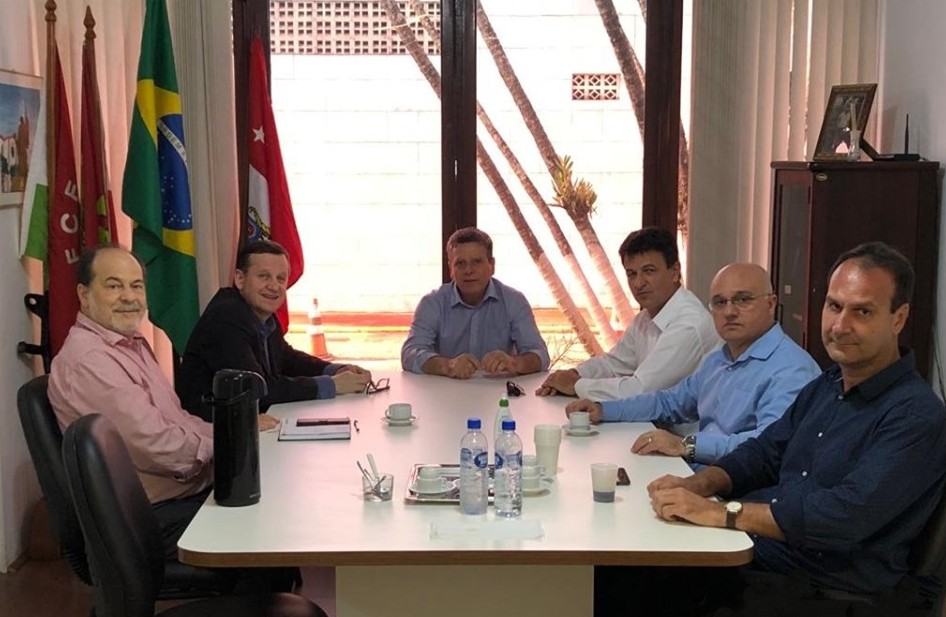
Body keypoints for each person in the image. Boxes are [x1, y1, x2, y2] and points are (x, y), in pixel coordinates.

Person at [597, 242, 946, 616]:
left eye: (862, 311)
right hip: (771, 556)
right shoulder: (826, 387)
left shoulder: (915, 414)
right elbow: (764, 452)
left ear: (898, 318)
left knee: (626, 588)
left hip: (831, 588)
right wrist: (698, 485)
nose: (841, 326)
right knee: (610, 573)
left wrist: (721, 513)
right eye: (834, 306)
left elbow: (843, 516)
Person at [48, 246, 215, 558]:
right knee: (258, 523)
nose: (129, 296)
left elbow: (177, 420)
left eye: (136, 285)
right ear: (84, 295)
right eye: (113, 286)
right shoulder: (90, 360)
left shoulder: (128, 345)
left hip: (176, 499)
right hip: (148, 519)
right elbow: (157, 445)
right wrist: (227, 447)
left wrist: (233, 434)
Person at [565, 263, 820, 466]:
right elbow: (669, 402)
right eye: (720, 302)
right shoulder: (720, 359)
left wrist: (685, 445)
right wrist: (603, 410)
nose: (729, 311)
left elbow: (767, 446)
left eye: (743, 300)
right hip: (700, 473)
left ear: (771, 304)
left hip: (741, 494)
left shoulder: (790, 369)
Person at [178, 239, 372, 422]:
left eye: (281, 278)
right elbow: (257, 391)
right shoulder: (226, 319)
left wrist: (334, 370)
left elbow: (287, 358)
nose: (274, 286)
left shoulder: (260, 312)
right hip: (214, 438)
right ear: (239, 279)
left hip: (251, 426)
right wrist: (333, 385)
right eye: (264, 276)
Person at [537, 226, 719, 400]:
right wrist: (573, 374)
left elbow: (641, 390)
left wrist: (576, 385)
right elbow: (613, 364)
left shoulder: (689, 323)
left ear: (674, 271)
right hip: (651, 424)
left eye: (649, 271)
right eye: (632, 274)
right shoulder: (646, 318)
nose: (639, 283)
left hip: (682, 431)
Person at [400, 227, 550, 378]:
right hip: (446, 393)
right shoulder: (432, 303)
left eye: (477, 262)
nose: (468, 270)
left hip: (498, 394)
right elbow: (410, 353)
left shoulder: (514, 301)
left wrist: (514, 363)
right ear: (450, 268)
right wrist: (447, 365)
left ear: (491, 265)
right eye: (460, 263)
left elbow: (540, 355)